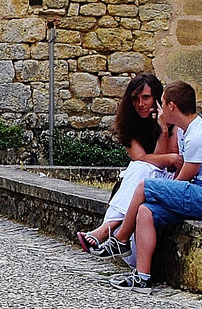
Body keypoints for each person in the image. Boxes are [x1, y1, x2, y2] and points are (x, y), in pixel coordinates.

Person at [109, 81, 202, 292]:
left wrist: (160, 191)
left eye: (162, 103)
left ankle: (121, 238)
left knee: (145, 186)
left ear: (172, 106)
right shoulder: (186, 131)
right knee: (145, 211)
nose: (159, 108)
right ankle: (142, 277)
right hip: (201, 193)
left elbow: (183, 179)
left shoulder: (198, 136)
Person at [73, 74, 178, 257]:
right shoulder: (128, 126)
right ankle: (110, 232)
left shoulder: (173, 124)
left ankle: (107, 229)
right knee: (141, 168)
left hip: (168, 181)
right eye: (136, 99)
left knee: (142, 169)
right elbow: (148, 159)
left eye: (145, 98)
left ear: (156, 98)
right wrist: (167, 157)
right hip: (141, 178)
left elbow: (168, 165)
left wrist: (162, 129)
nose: (141, 104)